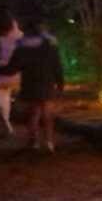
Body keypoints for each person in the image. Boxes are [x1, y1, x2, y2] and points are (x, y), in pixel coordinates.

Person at [8, 18, 65, 153]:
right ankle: (49, 141)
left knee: (33, 112)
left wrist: (2, 71)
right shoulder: (50, 43)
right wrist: (60, 80)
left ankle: (34, 141)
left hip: (30, 81)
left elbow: (14, 65)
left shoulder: (23, 45)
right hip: (46, 80)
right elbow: (56, 63)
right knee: (47, 112)